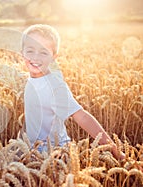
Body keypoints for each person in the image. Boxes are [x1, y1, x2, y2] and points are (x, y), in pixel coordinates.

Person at [22, 24, 124, 160]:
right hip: (35, 152)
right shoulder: (34, 79)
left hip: (55, 155)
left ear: (53, 57)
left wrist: (114, 150)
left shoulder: (54, 88)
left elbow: (82, 117)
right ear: (21, 53)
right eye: (30, 50)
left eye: (43, 52)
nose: (35, 57)